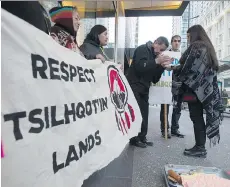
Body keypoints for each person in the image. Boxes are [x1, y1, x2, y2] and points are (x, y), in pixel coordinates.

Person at [172, 25, 222, 158]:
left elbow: (187, 68)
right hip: (205, 89)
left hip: (194, 91)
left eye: (188, 36)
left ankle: (200, 148)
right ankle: (200, 146)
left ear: (194, 35)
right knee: (197, 117)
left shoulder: (197, 47)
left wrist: (173, 68)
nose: (188, 39)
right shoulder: (208, 47)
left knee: (196, 117)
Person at [126, 37, 173, 148]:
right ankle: (134, 139)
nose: (160, 53)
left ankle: (142, 137)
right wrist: (157, 61)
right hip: (134, 85)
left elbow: (155, 79)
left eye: (162, 51)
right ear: (155, 43)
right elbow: (139, 67)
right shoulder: (142, 49)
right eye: (160, 49)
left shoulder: (154, 56)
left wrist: (161, 67)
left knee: (144, 113)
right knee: (136, 113)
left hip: (145, 87)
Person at [160, 35, 185, 139]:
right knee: (165, 108)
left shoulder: (182, 56)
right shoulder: (166, 54)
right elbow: (163, 70)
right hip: (167, 85)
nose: (177, 43)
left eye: (179, 41)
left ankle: (175, 129)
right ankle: (164, 129)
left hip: (179, 86)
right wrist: (172, 82)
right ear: (171, 42)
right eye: (175, 41)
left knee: (177, 108)